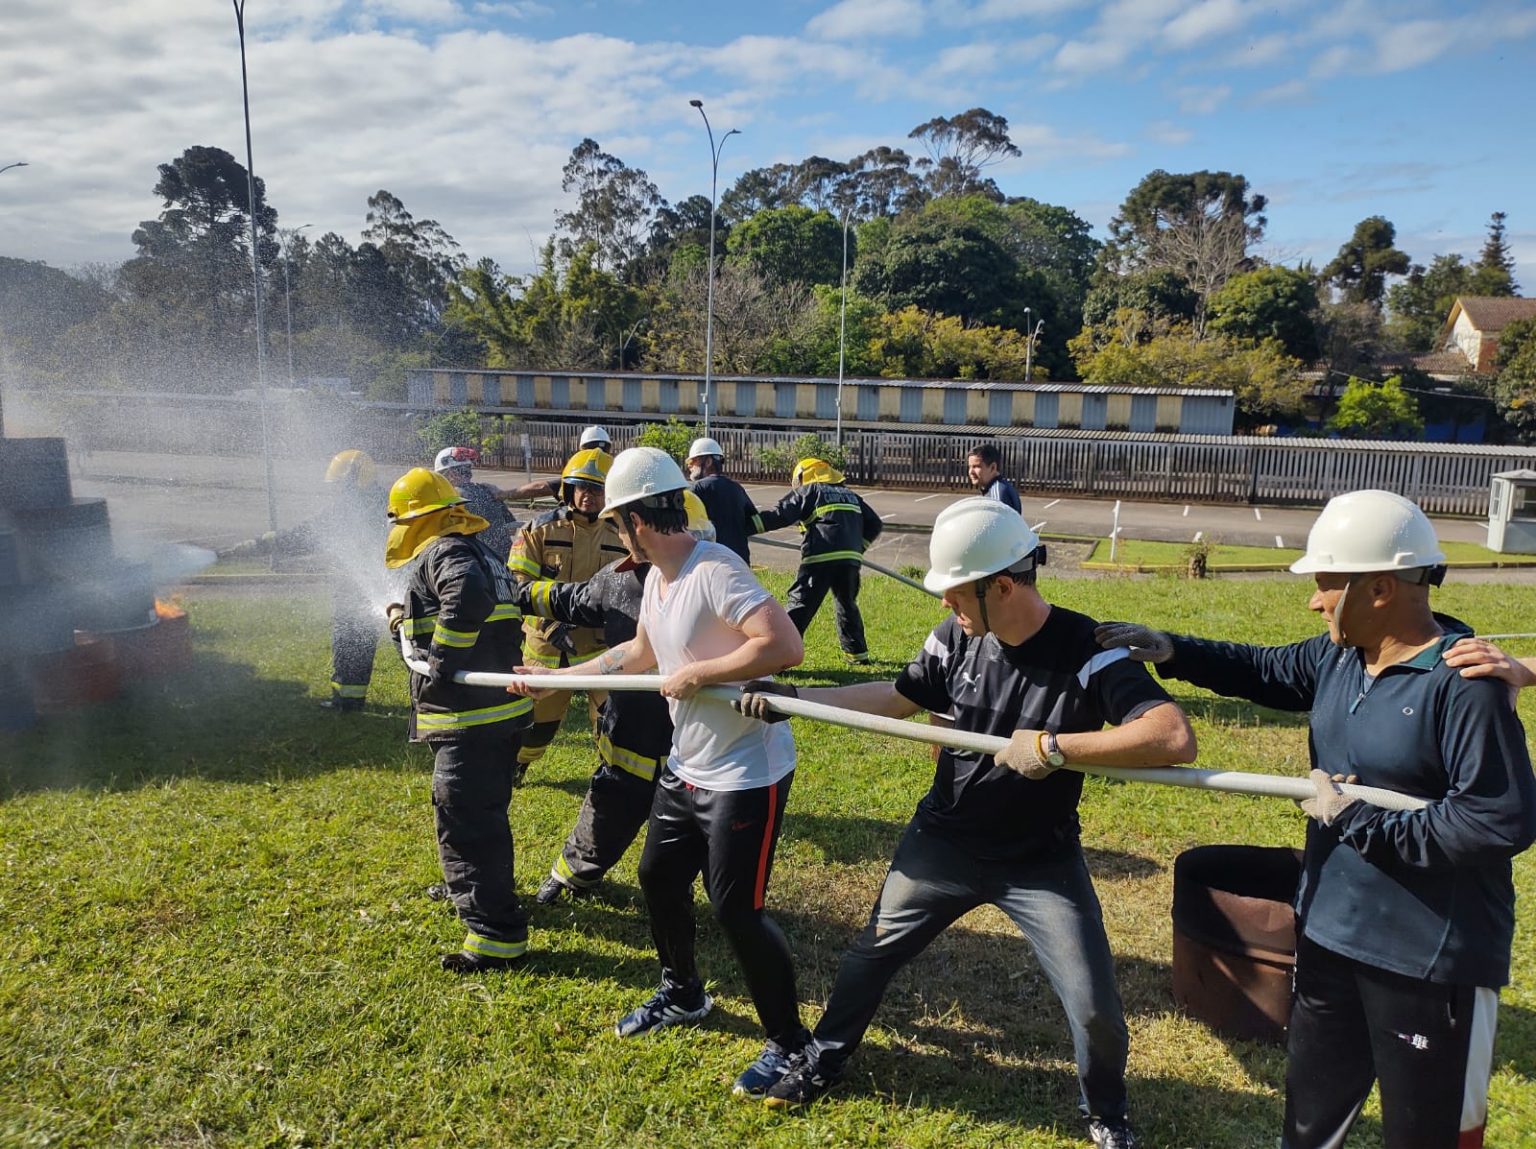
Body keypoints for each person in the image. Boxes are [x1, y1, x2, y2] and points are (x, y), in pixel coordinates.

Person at [736, 497, 1196, 1148]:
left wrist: (1054, 746)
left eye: (955, 595)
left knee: (1094, 1008)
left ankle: (1107, 1113)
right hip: (943, 841)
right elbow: (899, 697)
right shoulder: (955, 636)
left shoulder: (1085, 650)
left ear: (1001, 585)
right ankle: (825, 1056)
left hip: (1041, 858)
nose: (947, 608)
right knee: (869, 955)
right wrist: (796, 701)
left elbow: (1172, 735)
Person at [1095, 488, 1536, 1149]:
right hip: (1330, 931)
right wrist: (1171, 649)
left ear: (1382, 587)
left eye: (1327, 581)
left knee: (1430, 1136)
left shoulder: (1462, 684)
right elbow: (1266, 669)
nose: (1314, 598)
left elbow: (1499, 820)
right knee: (1309, 1123)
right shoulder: (1339, 655)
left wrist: (1359, 821)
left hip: (1429, 960)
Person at [510, 446, 807, 1097]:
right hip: (689, 764)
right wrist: (550, 677)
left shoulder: (713, 569)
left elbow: (785, 644)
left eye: (617, 524)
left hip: (745, 772)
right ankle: (683, 992)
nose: (618, 535)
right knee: (658, 876)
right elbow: (637, 652)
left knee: (736, 907)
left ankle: (791, 1044)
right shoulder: (658, 580)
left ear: (634, 521)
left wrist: (701, 672)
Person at [516, 491, 717, 906]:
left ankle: (728, 900)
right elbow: (569, 600)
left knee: (714, 835)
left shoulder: (719, 581)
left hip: (704, 745)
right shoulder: (619, 579)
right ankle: (572, 877)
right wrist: (509, 590)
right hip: (632, 735)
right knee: (609, 807)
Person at [382, 468, 534, 973]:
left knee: (467, 823)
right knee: (482, 818)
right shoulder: (479, 550)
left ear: (417, 520)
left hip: (473, 718)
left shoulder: (445, 552)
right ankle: (469, 891)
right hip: (496, 718)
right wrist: (406, 623)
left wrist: (443, 662)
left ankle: (495, 937)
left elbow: (465, 598)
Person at [219, 449, 388, 711]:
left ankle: (346, 702)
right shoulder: (386, 501)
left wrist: (258, 545)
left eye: (340, 484)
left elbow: (302, 535)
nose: (336, 490)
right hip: (383, 587)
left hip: (354, 590)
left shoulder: (345, 511)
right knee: (379, 644)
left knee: (349, 643)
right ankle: (358, 700)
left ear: (354, 480)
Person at [505, 448, 628, 781]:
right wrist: (550, 623)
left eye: (597, 489)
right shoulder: (537, 530)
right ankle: (518, 765)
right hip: (547, 651)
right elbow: (516, 586)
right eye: (582, 487)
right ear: (568, 489)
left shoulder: (622, 534)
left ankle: (612, 776)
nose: (588, 496)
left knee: (612, 719)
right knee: (538, 726)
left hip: (602, 648)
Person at [752, 457, 883, 663]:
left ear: (805, 476)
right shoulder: (852, 495)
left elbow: (781, 514)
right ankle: (858, 655)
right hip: (849, 561)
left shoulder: (811, 491)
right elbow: (874, 523)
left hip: (820, 557)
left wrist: (748, 525)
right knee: (846, 604)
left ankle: (781, 652)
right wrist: (858, 549)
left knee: (800, 603)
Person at [433, 446, 521, 559]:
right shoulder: (487, 491)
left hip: (473, 562)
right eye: (465, 471)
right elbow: (511, 529)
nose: (468, 474)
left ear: (448, 474)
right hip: (504, 561)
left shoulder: (447, 498)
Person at [685, 436, 758, 563]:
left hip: (711, 563)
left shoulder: (697, 489)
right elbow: (753, 520)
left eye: (693, 461)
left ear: (708, 462)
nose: (689, 466)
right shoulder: (737, 488)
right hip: (740, 562)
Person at [510, 425, 613, 501]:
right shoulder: (616, 472)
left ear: (582, 449)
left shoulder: (574, 477)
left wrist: (504, 494)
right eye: (582, 488)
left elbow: (542, 487)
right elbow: (544, 487)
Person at [967, 442, 1021, 512]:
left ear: (993, 467)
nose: (971, 472)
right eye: (970, 467)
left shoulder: (998, 493)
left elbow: (998, 522)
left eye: (977, 466)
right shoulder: (999, 487)